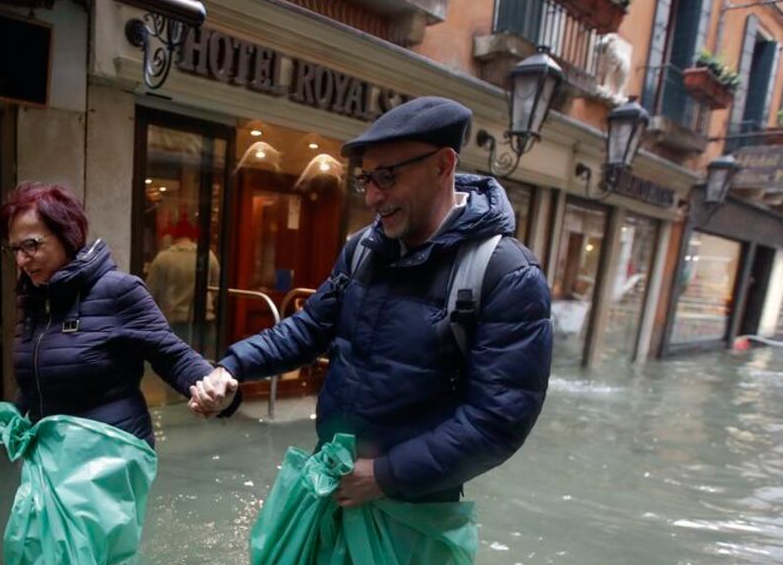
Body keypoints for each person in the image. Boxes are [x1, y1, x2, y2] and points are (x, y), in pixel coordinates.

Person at [190, 96, 553, 505]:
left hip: (413, 506)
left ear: (443, 165)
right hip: (333, 475)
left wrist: (386, 475)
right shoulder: (364, 247)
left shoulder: (507, 273)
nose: (372, 198)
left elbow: (499, 420)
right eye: (365, 180)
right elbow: (309, 329)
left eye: (387, 177)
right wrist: (232, 366)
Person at [0, 182, 225, 445]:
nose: (21, 260)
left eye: (31, 245)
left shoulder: (118, 290)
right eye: (14, 249)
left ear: (66, 236)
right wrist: (16, 417)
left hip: (109, 458)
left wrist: (214, 386)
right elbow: (36, 379)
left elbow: (172, 356)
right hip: (51, 456)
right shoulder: (34, 298)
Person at [146, 217, 220, 342]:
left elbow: (150, 291)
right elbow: (216, 286)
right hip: (204, 318)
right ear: (193, 235)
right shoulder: (208, 255)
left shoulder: (163, 258)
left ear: (173, 235)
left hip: (173, 318)